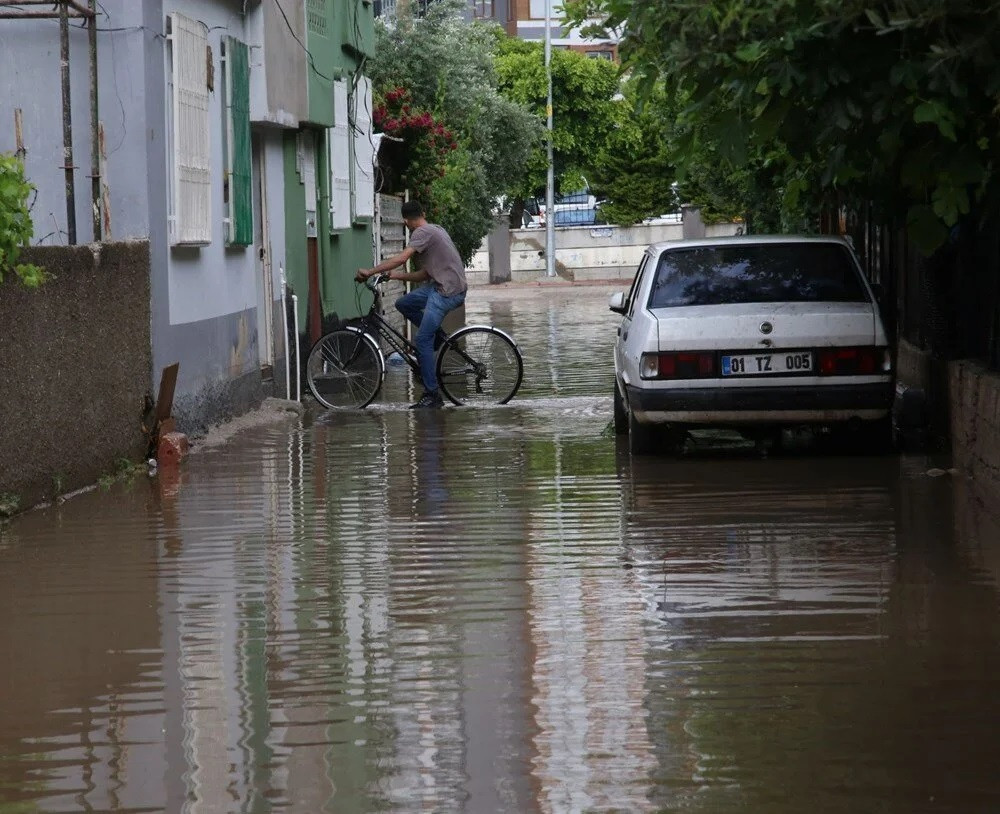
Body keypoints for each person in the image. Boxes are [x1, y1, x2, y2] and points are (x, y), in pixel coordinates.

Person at [356, 201, 468, 409]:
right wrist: (394, 276)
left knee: (422, 341)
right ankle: (437, 338)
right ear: (423, 213)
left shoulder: (421, 233)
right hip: (443, 287)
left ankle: (432, 394)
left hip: (446, 292)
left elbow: (401, 258)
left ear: (405, 221)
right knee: (403, 303)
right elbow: (425, 274)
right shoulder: (435, 230)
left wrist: (370, 272)